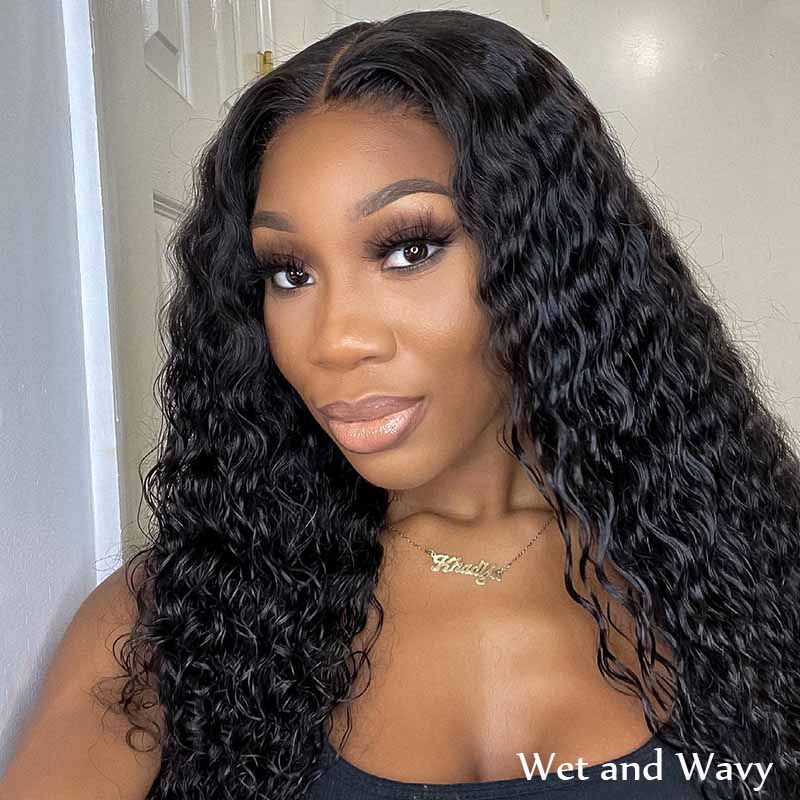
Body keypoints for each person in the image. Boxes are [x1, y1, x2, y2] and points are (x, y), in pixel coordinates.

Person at [1, 8, 797, 800]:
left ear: (547, 258)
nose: (335, 340)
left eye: (409, 250)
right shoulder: (173, 621)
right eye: (290, 273)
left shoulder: (754, 566)